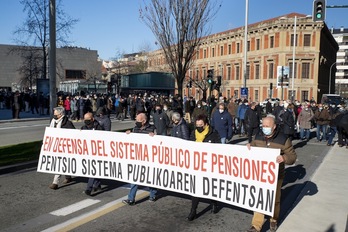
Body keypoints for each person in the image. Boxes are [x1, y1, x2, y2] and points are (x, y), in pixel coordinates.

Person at [246, 114, 297, 232]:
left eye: (267, 126)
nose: (264, 128)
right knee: (259, 198)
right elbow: (253, 146)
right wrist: (249, 145)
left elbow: (292, 156)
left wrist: (284, 158)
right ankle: (256, 225)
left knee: (274, 199)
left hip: (276, 175)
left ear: (274, 126)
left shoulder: (284, 139)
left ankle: (273, 220)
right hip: (259, 174)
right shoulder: (258, 136)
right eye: (263, 125)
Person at [187, 114, 221, 221]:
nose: (198, 127)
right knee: (196, 188)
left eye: (201, 125)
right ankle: (193, 210)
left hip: (210, 166)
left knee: (210, 186)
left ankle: (214, 203)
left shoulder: (213, 134)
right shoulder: (194, 133)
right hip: (197, 165)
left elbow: (219, 148)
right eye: (197, 125)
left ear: (206, 124)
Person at [122, 113, 158, 205]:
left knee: (149, 177)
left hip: (149, 158)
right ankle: (131, 199)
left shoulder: (152, 128)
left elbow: (159, 142)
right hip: (138, 158)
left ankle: (153, 194)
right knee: (135, 177)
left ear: (144, 121)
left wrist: (154, 136)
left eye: (138, 120)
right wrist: (128, 135)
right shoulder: (135, 129)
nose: (136, 122)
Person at [49, 106, 75, 190]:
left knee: (59, 163)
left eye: (55, 113)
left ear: (60, 114)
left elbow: (74, 134)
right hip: (55, 145)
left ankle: (55, 182)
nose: (54, 115)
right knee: (65, 163)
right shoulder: (53, 121)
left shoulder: (67, 123)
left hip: (64, 147)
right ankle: (68, 177)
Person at [81, 112, 104, 195]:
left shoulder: (99, 128)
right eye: (85, 119)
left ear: (92, 119)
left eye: (88, 119)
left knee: (92, 170)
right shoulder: (83, 128)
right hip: (88, 152)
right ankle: (97, 184)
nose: (86, 121)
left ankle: (88, 188)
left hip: (97, 152)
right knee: (95, 170)